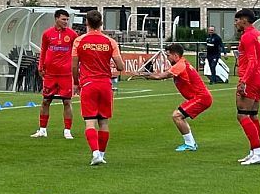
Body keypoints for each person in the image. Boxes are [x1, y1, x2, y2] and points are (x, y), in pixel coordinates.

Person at [134, 43, 212, 152]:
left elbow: (161, 76)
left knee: (177, 116)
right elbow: (163, 73)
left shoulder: (180, 65)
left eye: (168, 55)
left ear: (175, 55)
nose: (167, 58)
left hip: (201, 98)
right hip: (199, 97)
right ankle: (190, 143)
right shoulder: (181, 63)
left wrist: (142, 74)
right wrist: (150, 74)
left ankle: (190, 144)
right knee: (179, 116)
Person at [71, 9, 124, 166]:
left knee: (90, 121)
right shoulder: (110, 42)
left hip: (88, 83)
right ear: (101, 23)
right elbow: (120, 66)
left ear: (86, 23)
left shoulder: (79, 41)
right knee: (104, 122)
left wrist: (76, 82)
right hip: (105, 84)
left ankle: (95, 153)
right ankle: (101, 154)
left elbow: (74, 66)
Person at [33, 9, 76, 139]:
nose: (66, 22)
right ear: (56, 18)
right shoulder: (47, 34)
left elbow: (76, 54)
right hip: (50, 74)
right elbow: (43, 51)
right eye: (63, 19)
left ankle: (67, 131)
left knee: (67, 102)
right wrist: (41, 66)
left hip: (65, 74)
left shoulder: (72, 35)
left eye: (67, 20)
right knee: (46, 100)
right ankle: (42, 130)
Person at [233, 8, 260, 165]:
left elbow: (252, 61)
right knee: (253, 115)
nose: (236, 23)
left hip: (251, 79)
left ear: (244, 20)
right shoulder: (258, 34)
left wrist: (244, 81)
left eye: (237, 20)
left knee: (242, 115)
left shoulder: (247, 36)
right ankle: (254, 151)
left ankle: (258, 151)